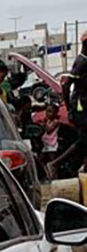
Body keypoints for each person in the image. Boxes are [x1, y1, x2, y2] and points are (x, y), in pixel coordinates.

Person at [50, 32, 87, 178]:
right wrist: (68, 108)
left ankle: (76, 170)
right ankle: (55, 164)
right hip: (80, 108)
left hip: (83, 107)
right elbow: (66, 85)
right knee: (84, 140)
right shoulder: (81, 62)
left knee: (84, 142)